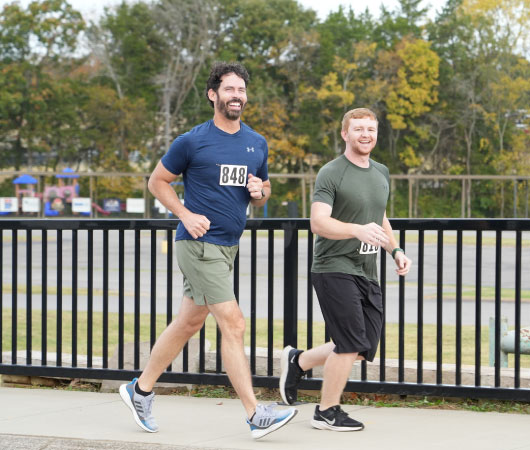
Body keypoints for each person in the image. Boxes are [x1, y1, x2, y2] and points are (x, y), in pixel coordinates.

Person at [119, 62, 297, 440]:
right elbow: (157, 181)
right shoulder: (192, 141)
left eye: (242, 90)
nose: (238, 96)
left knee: (188, 323)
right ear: (213, 95)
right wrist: (185, 213)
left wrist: (259, 193)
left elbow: (264, 192)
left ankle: (140, 390)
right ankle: (255, 414)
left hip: (228, 246)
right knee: (233, 323)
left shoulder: (256, 142)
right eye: (230, 89)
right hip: (199, 244)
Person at [279, 108, 412, 431]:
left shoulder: (381, 171)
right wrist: (355, 229)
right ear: (345, 134)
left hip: (367, 269)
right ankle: (326, 411)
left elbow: (378, 216)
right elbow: (318, 222)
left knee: (364, 347)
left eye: (371, 129)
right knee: (350, 342)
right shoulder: (331, 172)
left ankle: (300, 361)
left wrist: (394, 249)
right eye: (358, 129)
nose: (366, 134)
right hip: (333, 267)